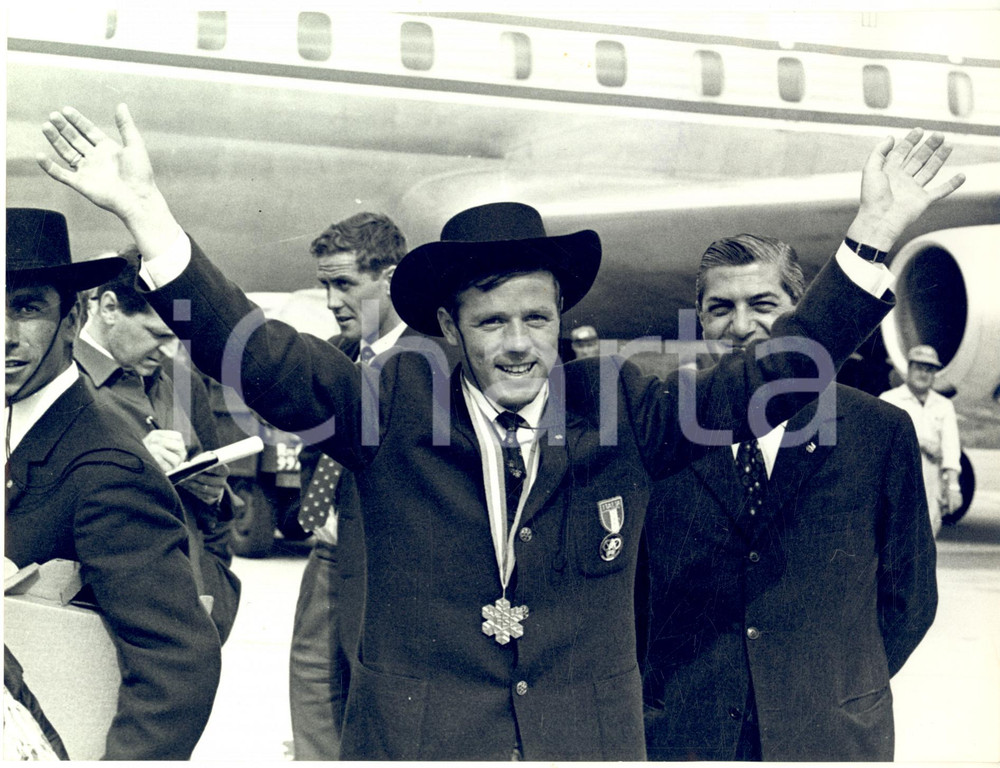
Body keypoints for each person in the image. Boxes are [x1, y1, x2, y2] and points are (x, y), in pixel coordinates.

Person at [37, 104, 963, 760]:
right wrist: (148, 219)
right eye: (492, 323)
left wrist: (871, 239)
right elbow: (257, 354)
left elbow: (768, 378)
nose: (519, 344)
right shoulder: (387, 408)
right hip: (423, 746)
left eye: (536, 318)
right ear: (450, 329)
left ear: (560, 319)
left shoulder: (621, 409)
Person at [638, 234, 938, 761]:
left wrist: (835, 686)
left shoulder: (879, 431)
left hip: (827, 734)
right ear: (700, 320)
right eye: (720, 308)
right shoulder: (663, 430)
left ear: (804, 313)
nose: (740, 326)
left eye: (763, 304)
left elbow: (909, 600)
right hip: (688, 738)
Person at [4, 208, 221, 760]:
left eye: (26, 308)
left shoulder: (106, 465)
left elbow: (178, 663)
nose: (4, 336)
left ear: (73, 318)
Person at [288, 211, 452, 760]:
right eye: (325, 286)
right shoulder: (337, 355)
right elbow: (316, 450)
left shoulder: (434, 362)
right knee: (313, 702)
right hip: (325, 562)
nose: (331, 301)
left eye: (344, 284)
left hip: (391, 571)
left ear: (390, 278)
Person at [74, 246, 242, 642]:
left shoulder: (184, 382)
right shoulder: (61, 382)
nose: (171, 350)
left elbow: (217, 518)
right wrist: (130, 461)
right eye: (157, 334)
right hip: (106, 627)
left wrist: (214, 494)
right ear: (109, 308)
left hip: (192, 619)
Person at [880, 344, 962, 536]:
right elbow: (879, 444)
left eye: (929, 369)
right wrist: (920, 442)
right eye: (919, 367)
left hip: (931, 483)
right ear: (908, 369)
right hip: (896, 481)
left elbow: (951, 449)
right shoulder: (889, 400)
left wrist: (953, 487)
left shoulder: (944, 405)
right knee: (893, 538)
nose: (923, 374)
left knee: (927, 538)